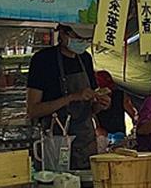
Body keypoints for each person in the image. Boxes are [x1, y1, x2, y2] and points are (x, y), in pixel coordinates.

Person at [26, 22, 109, 169]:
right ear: (63, 34)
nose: (82, 42)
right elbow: (33, 110)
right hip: (56, 142)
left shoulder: (85, 59)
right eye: (78, 38)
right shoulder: (43, 60)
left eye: (86, 39)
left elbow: (89, 109)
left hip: (85, 143)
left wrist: (99, 104)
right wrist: (71, 97)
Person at [94, 70, 136, 140]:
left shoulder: (120, 95)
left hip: (119, 135)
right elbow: (92, 120)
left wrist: (135, 123)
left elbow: (132, 113)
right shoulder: (93, 100)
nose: (108, 92)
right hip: (101, 137)